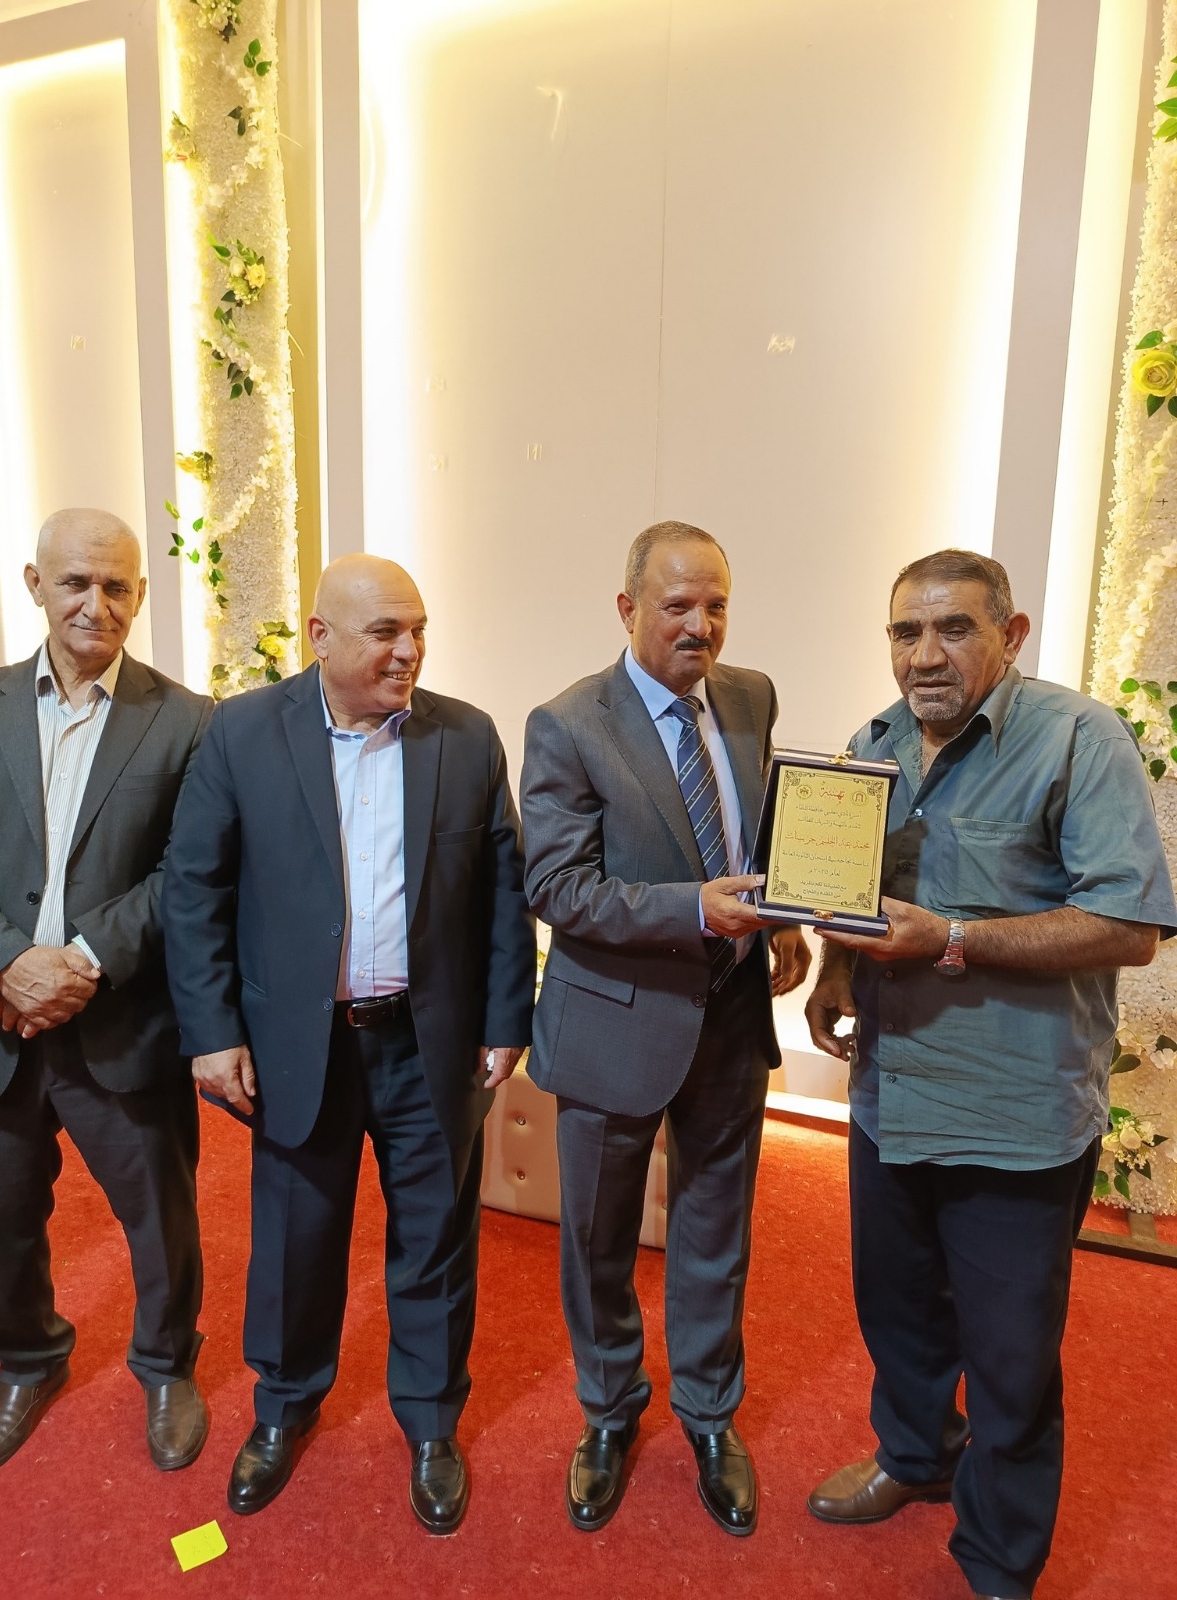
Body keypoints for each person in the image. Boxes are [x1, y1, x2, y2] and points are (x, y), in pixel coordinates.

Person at [803, 549, 1177, 1599]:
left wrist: (955, 938)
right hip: (889, 1097)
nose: (925, 654)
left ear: (1010, 636)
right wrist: (835, 971)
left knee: (1011, 1357)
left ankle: (1001, 1558)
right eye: (905, 632)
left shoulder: (1079, 738)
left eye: (954, 628)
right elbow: (850, 888)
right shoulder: (872, 745)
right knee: (898, 1312)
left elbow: (1129, 925)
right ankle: (916, 1456)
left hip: (1018, 1114)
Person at [162, 553, 536, 1530]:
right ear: (321, 636)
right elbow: (194, 890)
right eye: (385, 633)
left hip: (430, 1043)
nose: (409, 651)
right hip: (302, 1045)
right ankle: (283, 1408)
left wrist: (507, 1020)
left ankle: (431, 1422)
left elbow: (502, 892)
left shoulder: (466, 737)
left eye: (419, 630)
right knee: (296, 1239)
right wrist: (211, 1031)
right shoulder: (243, 731)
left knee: (436, 1241)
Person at [519, 520, 810, 1537]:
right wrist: (696, 910)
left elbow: (757, 833)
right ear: (627, 607)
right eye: (678, 605)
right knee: (599, 1242)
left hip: (731, 1019)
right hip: (614, 1028)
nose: (701, 626)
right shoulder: (567, 723)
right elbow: (558, 886)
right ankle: (607, 1413)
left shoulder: (751, 697)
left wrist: (781, 917)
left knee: (716, 1234)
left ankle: (710, 1416)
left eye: (717, 605)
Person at [0, 508, 211, 1477]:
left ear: (140, 595)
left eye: (116, 586)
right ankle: (26, 1359)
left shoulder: (187, 719)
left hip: (120, 1018)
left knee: (160, 1213)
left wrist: (77, 962)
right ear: (36, 584)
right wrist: (7, 962)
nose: (95, 604)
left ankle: (167, 1364)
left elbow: (187, 873)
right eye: (75, 582)